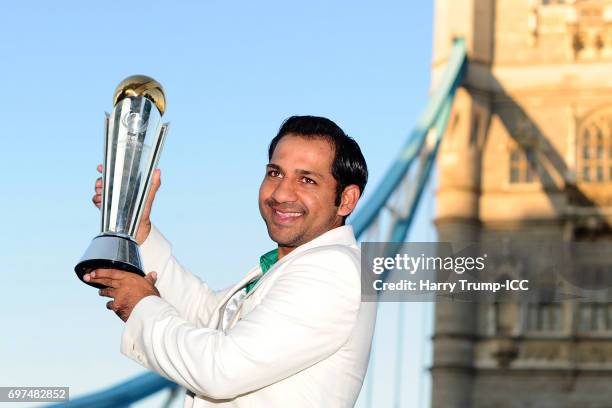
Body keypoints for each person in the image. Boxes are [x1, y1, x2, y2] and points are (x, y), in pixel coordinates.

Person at [85, 115, 377, 407]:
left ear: (347, 200)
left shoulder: (333, 269)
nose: (281, 193)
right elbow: (207, 315)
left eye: (307, 180)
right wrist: (139, 227)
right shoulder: (293, 263)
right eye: (275, 173)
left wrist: (142, 303)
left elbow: (221, 370)